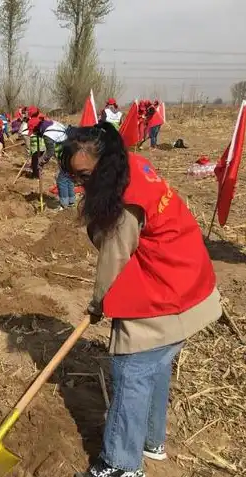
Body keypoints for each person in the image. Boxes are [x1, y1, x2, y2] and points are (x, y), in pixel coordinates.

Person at [60, 123, 222, 477]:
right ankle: (151, 440)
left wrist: (98, 304)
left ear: (105, 161)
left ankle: (121, 463)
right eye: (75, 177)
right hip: (188, 273)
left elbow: (114, 261)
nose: (81, 183)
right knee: (156, 360)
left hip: (168, 285)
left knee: (130, 368)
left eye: (85, 175)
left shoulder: (125, 202)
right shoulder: (133, 166)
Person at [28, 116, 75, 210]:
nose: (36, 134)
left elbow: (50, 152)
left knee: (61, 180)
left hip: (65, 155)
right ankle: (71, 202)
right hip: (71, 151)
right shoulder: (52, 123)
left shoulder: (47, 134)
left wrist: (41, 162)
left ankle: (64, 205)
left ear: (38, 129)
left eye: (35, 131)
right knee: (68, 178)